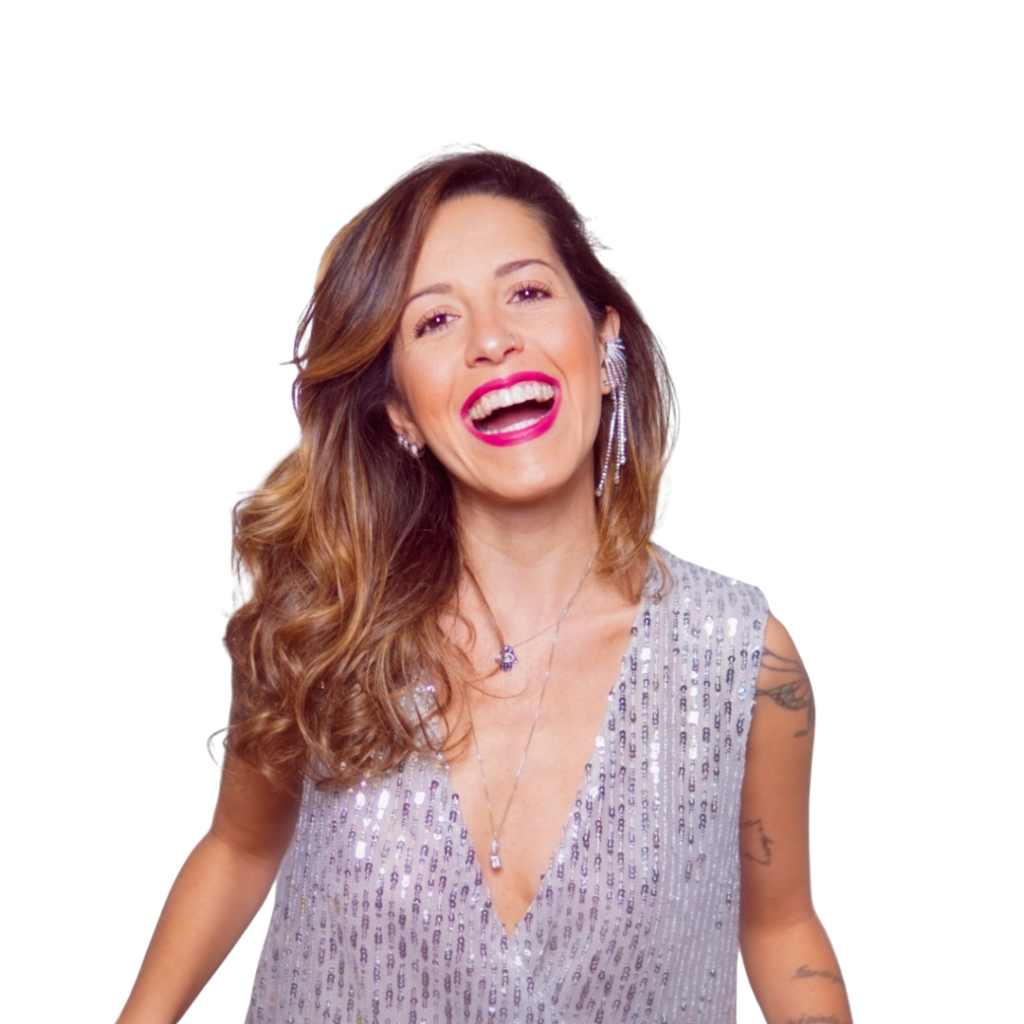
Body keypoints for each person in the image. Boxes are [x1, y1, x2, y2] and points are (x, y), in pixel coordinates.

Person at [116, 145, 852, 1023]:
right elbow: (239, 849)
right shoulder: (324, 624)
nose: (493, 340)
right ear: (400, 410)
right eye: (434, 321)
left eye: (528, 292)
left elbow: (779, 927)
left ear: (604, 340)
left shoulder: (743, 660)